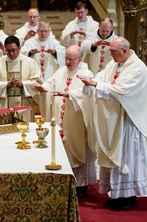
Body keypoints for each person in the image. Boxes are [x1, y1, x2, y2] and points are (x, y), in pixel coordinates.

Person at [77, 37, 147, 210]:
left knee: (127, 158)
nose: (110, 54)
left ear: (125, 51)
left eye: (113, 51)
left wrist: (96, 84)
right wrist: (91, 82)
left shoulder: (137, 68)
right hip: (115, 121)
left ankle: (128, 197)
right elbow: (101, 77)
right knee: (115, 159)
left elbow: (121, 90)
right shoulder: (115, 64)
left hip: (128, 122)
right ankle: (118, 194)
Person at [35, 45, 96, 198]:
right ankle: (63, 181)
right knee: (62, 149)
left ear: (80, 59)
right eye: (66, 58)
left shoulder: (86, 73)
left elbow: (87, 94)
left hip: (75, 120)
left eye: (71, 59)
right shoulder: (61, 71)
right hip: (60, 119)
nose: (67, 62)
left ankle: (80, 185)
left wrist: (69, 94)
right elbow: (51, 83)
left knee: (76, 149)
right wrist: (43, 87)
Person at [0, 36, 42, 122]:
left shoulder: (30, 63)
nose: (11, 53)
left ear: (19, 48)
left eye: (14, 50)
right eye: (8, 51)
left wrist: (23, 84)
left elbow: (38, 83)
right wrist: (5, 85)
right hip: (4, 106)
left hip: (25, 108)